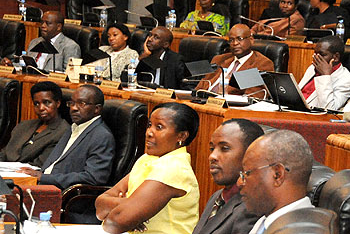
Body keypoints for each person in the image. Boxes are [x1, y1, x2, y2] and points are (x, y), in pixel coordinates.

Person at [95, 102, 200, 234]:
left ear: (181, 136)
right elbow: (99, 206)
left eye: (159, 127)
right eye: (149, 125)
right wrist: (129, 208)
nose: (149, 132)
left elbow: (115, 223)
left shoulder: (174, 167)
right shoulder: (147, 158)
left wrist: (127, 212)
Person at [19, 85, 115, 190]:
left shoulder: (101, 136)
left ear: (97, 109)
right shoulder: (74, 127)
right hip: (41, 184)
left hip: (61, 193)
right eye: (72, 103)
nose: (73, 108)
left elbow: (94, 177)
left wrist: (44, 178)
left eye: (81, 104)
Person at [192, 119, 263, 234]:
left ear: (251, 155)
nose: (212, 156)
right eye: (211, 149)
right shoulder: (217, 197)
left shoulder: (252, 208)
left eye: (224, 148)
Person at [238, 130, 314, 234]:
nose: (239, 182)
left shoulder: (302, 230)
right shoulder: (269, 220)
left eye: (247, 173)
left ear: (277, 175)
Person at [0, 81, 69, 167]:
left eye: (46, 102)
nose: (41, 108)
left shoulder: (63, 131)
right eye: (36, 104)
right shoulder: (24, 126)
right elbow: (5, 153)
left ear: (58, 103)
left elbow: (40, 164)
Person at [196, 24, 274, 98]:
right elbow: (201, 86)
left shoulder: (262, 64)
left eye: (239, 39)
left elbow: (254, 96)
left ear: (251, 40)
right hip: (203, 102)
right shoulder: (219, 59)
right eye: (231, 40)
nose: (235, 43)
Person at [2, 11, 81, 71]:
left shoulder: (70, 46)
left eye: (48, 23)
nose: (43, 26)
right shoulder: (34, 42)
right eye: (42, 22)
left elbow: (69, 75)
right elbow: (25, 66)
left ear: (59, 27)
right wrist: (11, 65)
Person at [298, 35, 350, 110]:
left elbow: (329, 109)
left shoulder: (346, 80)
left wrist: (325, 76)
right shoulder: (312, 68)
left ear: (336, 57)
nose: (316, 57)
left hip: (313, 118)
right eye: (315, 53)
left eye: (322, 55)